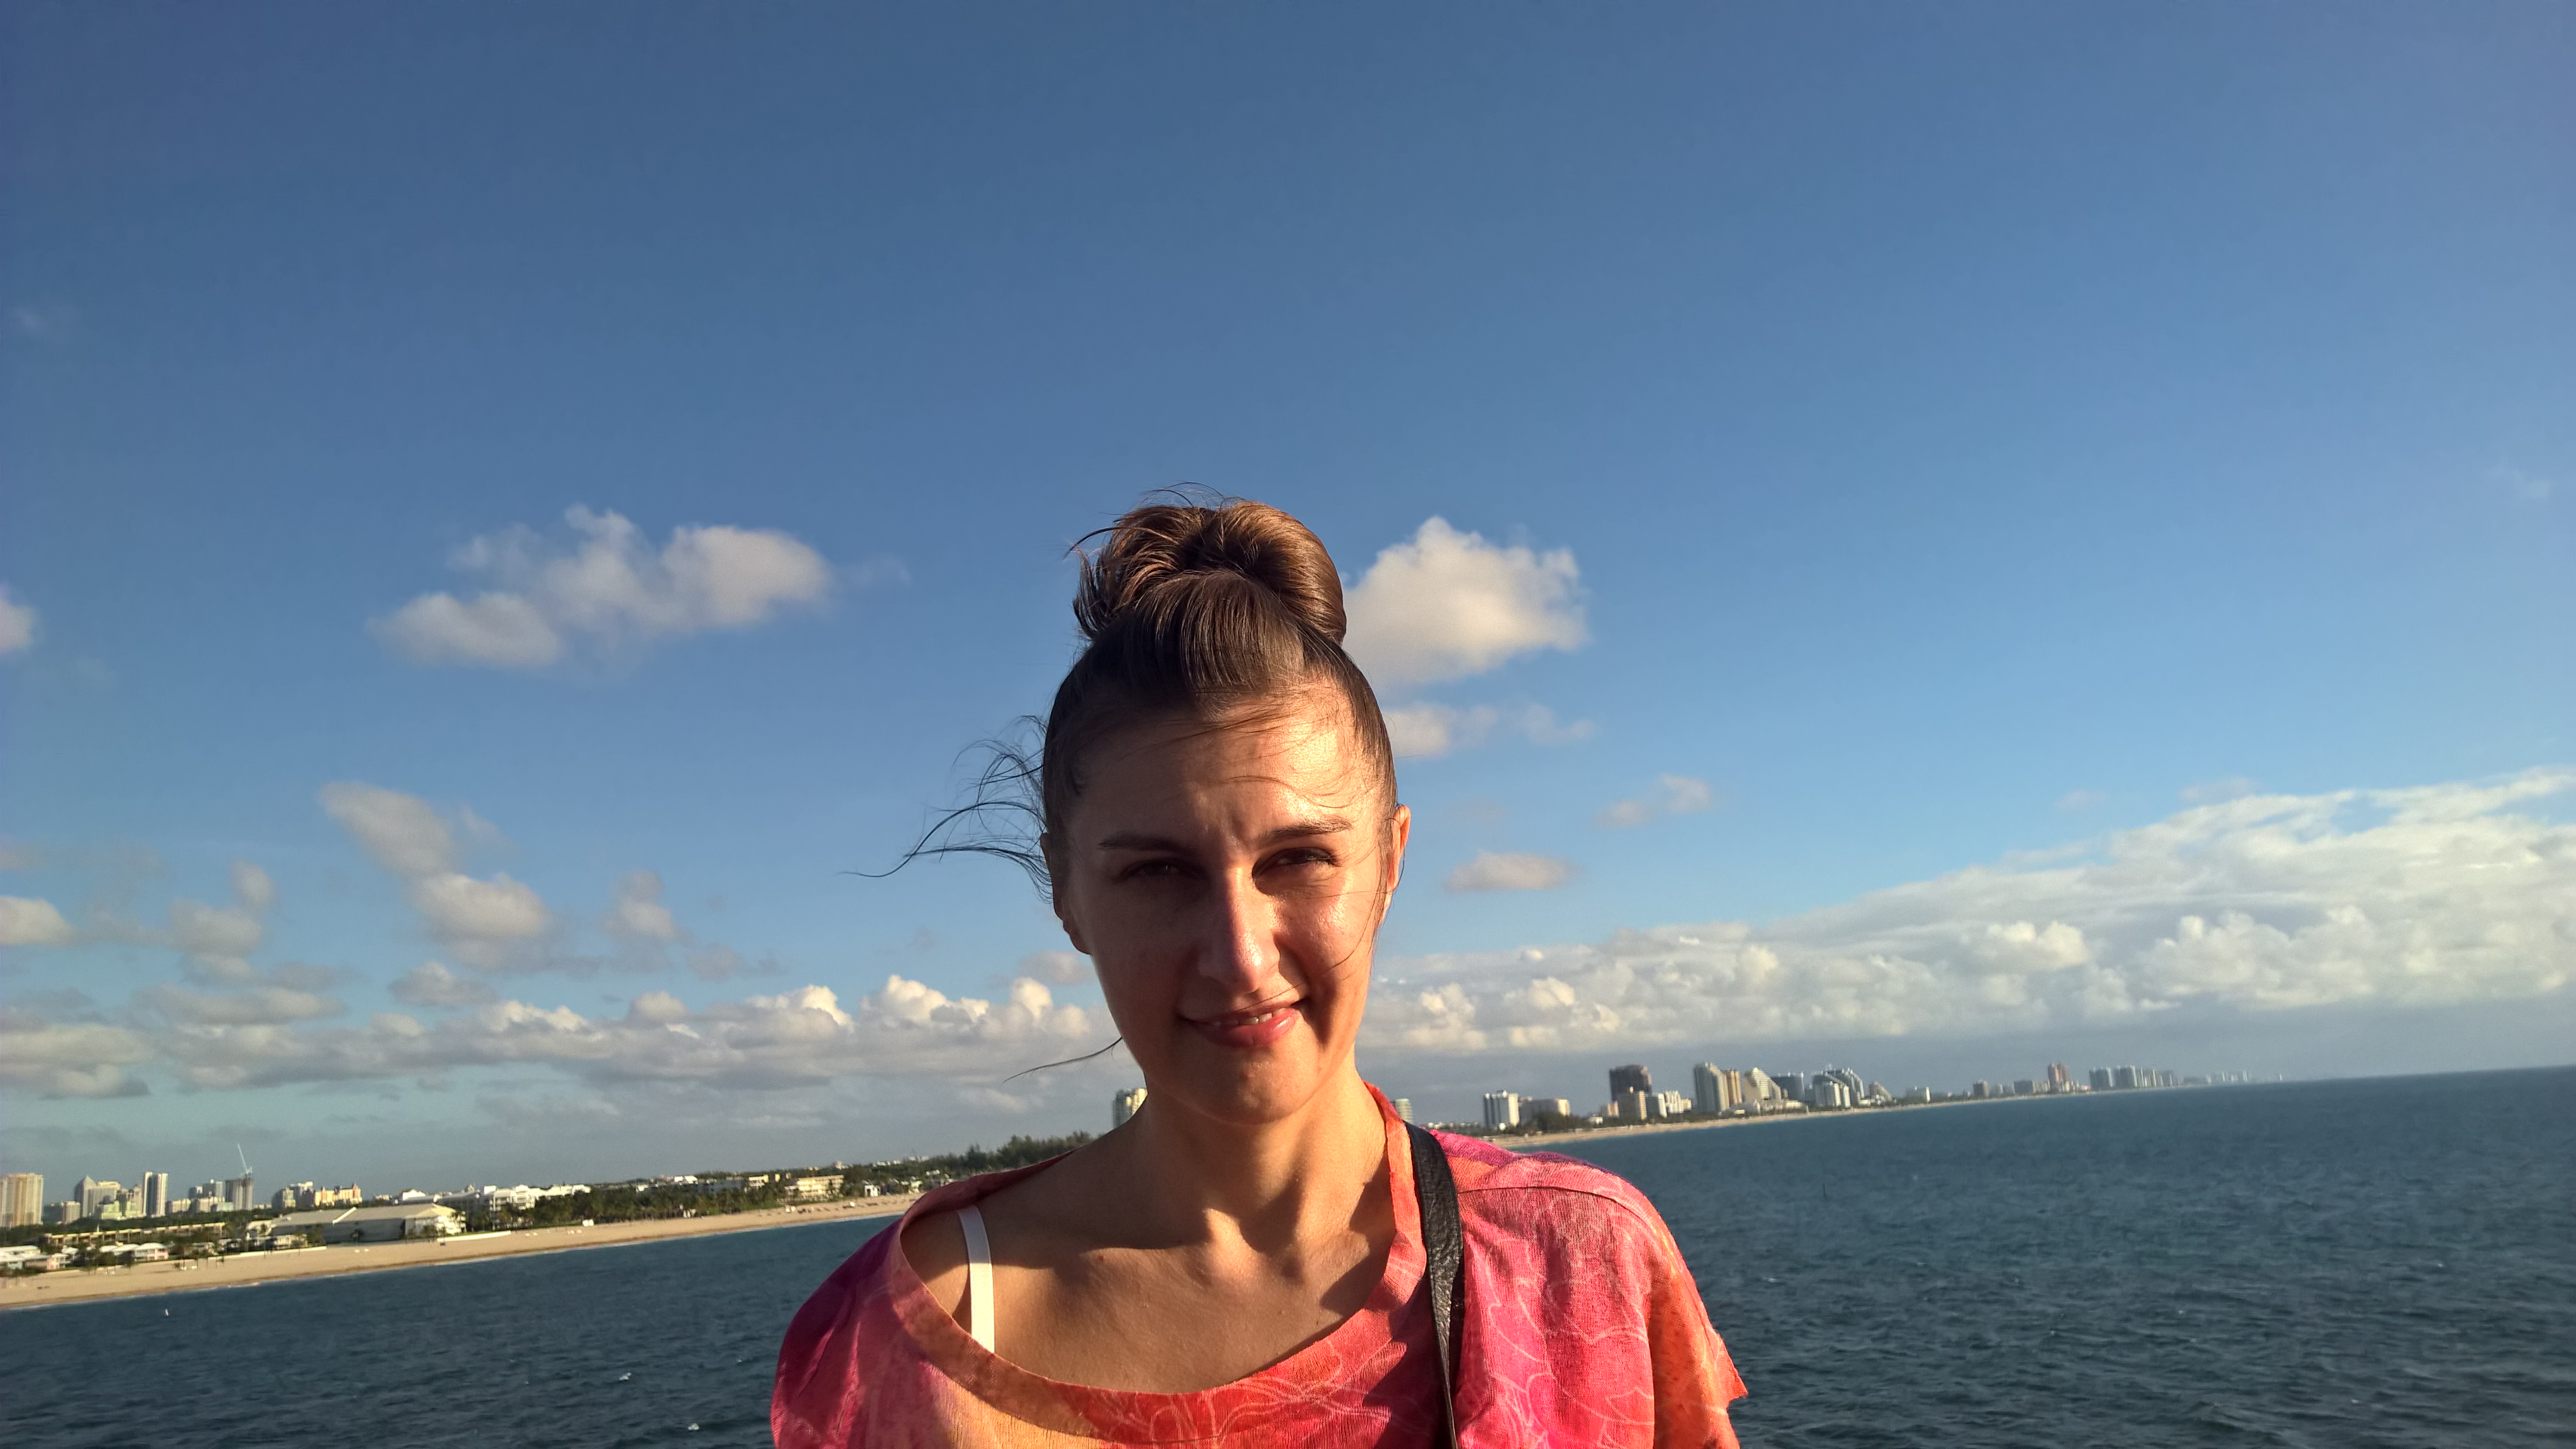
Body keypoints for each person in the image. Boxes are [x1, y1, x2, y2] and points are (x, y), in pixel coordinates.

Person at [773, 498, 1746, 1447]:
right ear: (1067, 893)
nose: (1239, 954)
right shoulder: (906, 1339)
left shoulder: (1583, 1267)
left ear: (1390, 864)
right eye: (1158, 873)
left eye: (1299, 859)